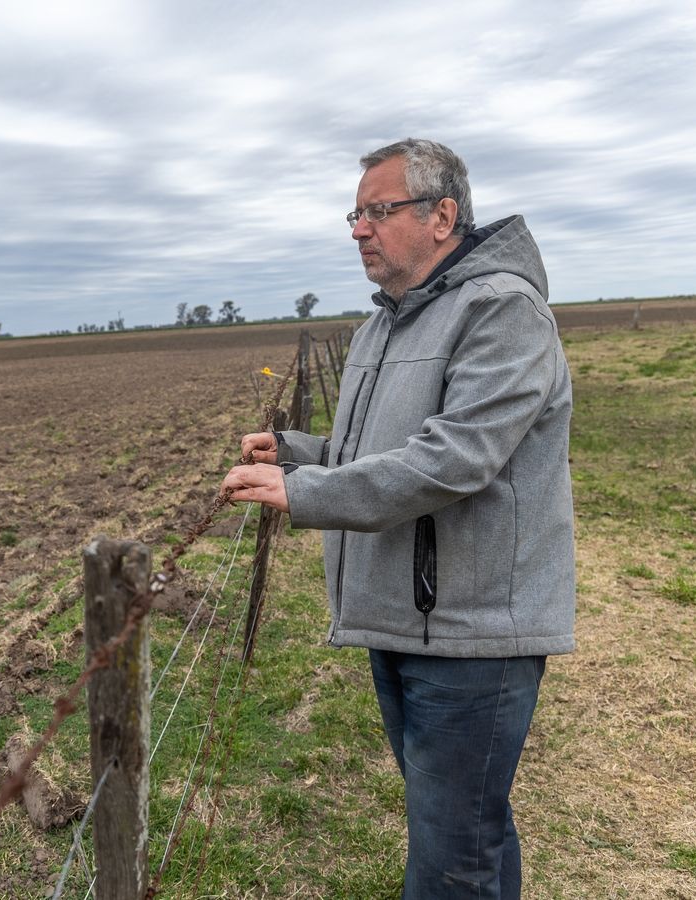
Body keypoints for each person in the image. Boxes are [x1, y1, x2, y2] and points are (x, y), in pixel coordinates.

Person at [222, 138, 575, 899]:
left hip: (473, 635)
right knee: (465, 831)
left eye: (379, 210)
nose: (358, 229)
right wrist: (298, 455)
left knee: (450, 857)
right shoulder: (386, 323)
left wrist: (307, 495)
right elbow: (375, 447)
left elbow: (457, 456)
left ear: (442, 215)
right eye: (355, 213)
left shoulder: (502, 310)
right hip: (406, 618)